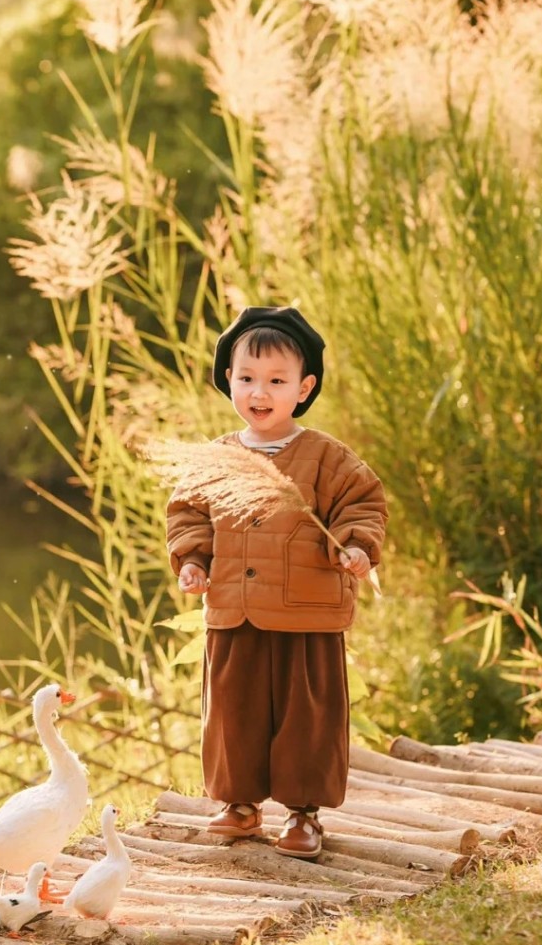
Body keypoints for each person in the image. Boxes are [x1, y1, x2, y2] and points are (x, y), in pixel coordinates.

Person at [165, 306, 388, 859]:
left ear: (304, 387)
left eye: (276, 381)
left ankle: (303, 813)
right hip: (233, 608)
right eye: (246, 379)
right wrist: (192, 559)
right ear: (228, 381)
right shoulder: (217, 457)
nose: (258, 392)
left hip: (307, 613)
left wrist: (356, 547)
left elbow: (362, 505)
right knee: (232, 712)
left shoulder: (326, 457)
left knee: (306, 715)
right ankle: (239, 805)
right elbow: (188, 513)